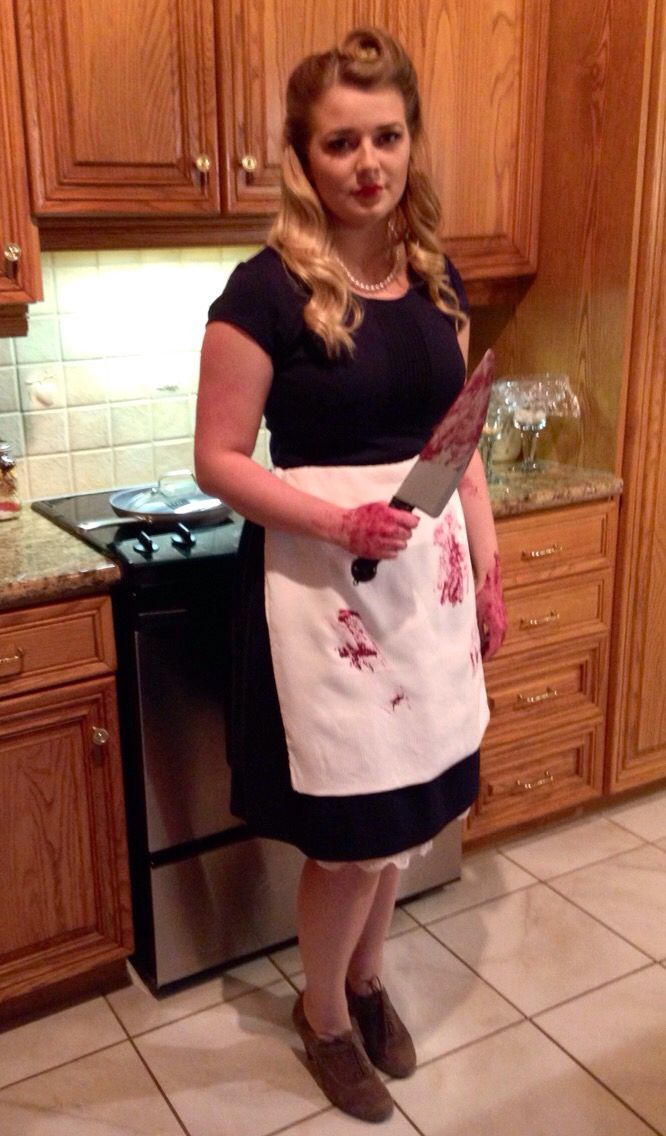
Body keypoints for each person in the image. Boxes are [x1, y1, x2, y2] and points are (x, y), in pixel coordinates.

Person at [195, 26, 507, 1124]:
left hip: (427, 583)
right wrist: (338, 518)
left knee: (410, 809)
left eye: (387, 135)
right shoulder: (264, 291)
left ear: (412, 139)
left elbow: (454, 434)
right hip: (322, 592)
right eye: (340, 142)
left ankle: (365, 982)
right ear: (302, 154)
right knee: (350, 831)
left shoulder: (435, 273)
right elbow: (217, 459)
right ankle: (323, 1012)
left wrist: (492, 560)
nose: (368, 162)